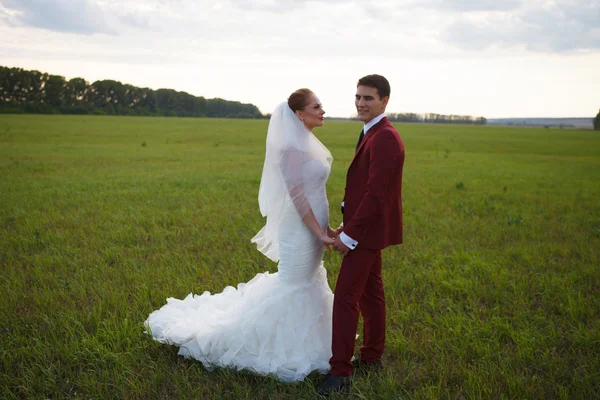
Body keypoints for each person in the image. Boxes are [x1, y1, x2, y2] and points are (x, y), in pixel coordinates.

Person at [145, 89, 338, 382]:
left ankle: (313, 343)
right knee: (295, 282)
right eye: (316, 106)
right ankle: (272, 345)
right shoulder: (290, 148)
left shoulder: (310, 144)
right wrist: (317, 232)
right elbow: (298, 197)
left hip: (314, 226)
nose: (322, 110)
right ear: (300, 114)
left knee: (309, 280)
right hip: (298, 229)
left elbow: (317, 193)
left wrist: (327, 229)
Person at [317, 74, 405, 395]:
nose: (360, 103)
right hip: (365, 229)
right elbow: (363, 190)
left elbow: (376, 194)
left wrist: (350, 235)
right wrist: (347, 223)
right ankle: (371, 357)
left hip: (366, 235)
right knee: (371, 294)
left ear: (384, 101)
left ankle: (340, 372)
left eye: (368, 98)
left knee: (345, 299)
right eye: (357, 97)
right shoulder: (373, 132)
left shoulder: (384, 137)